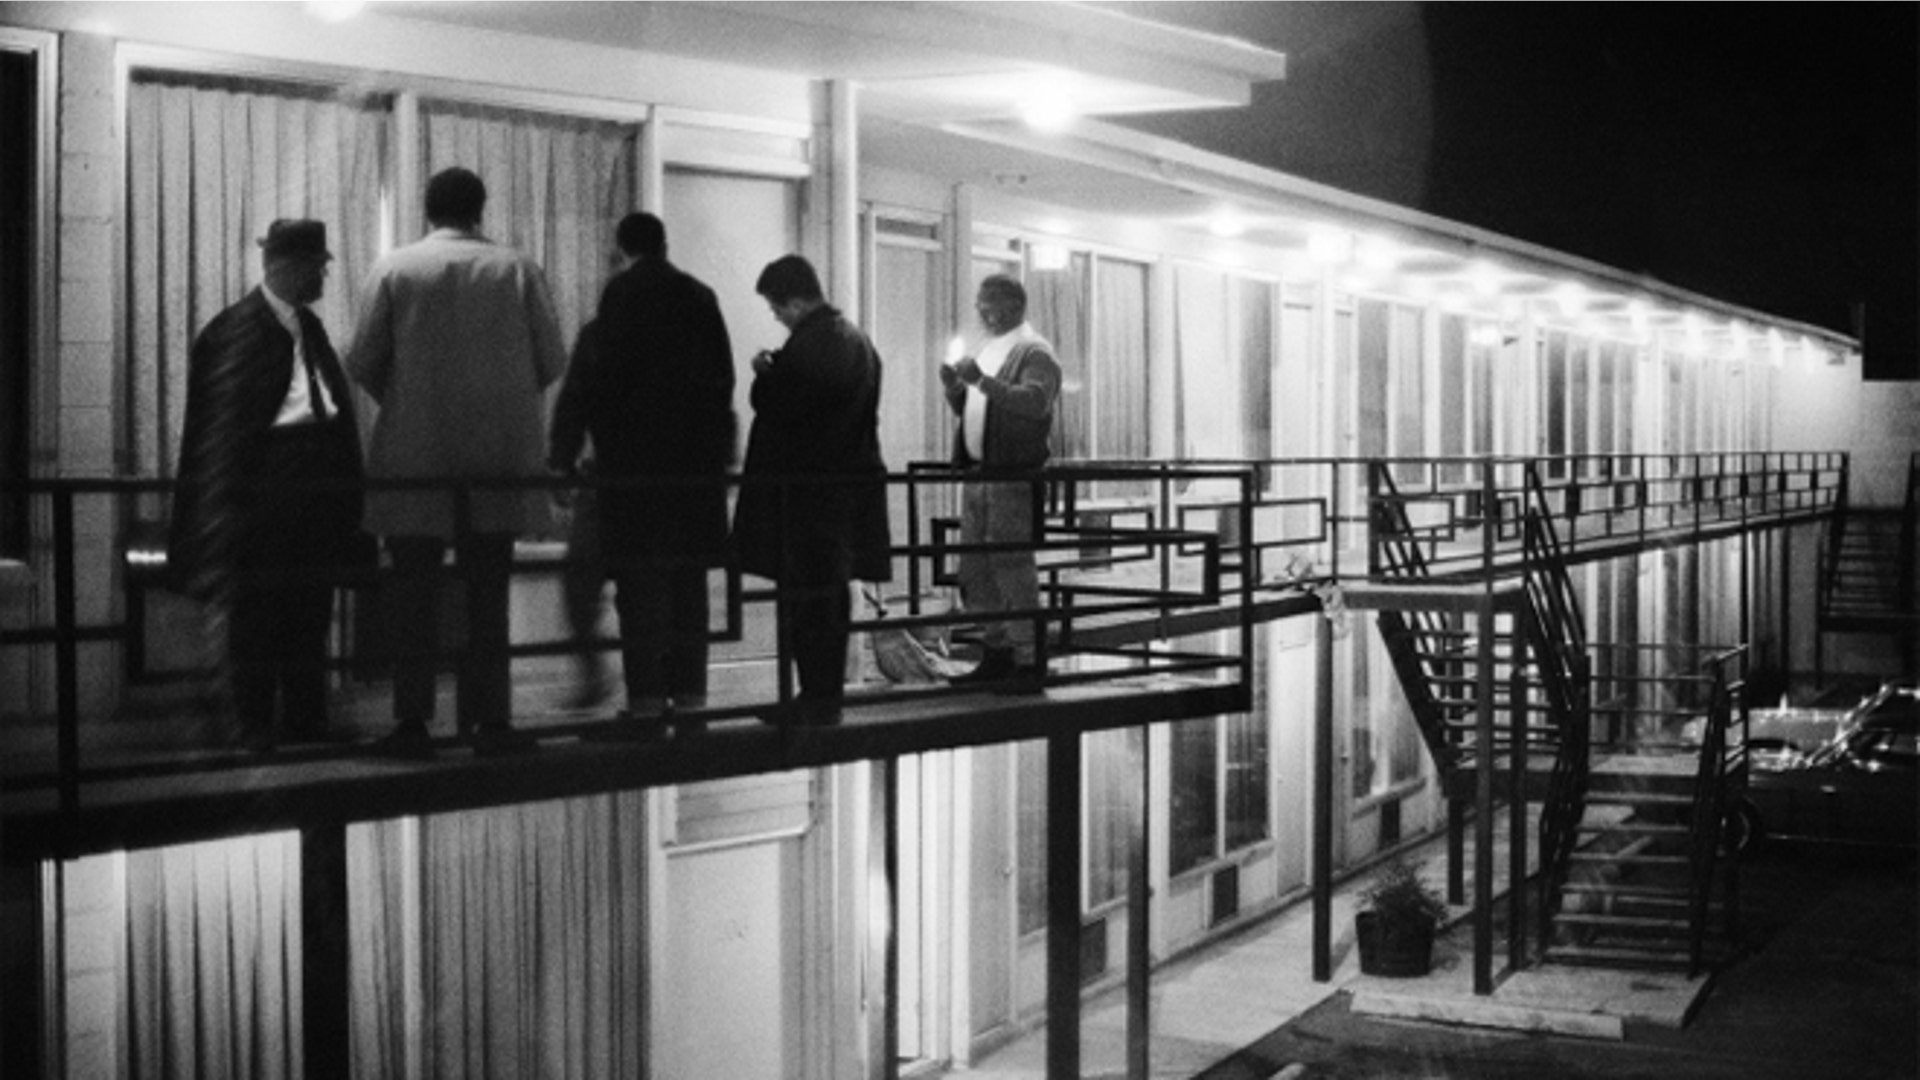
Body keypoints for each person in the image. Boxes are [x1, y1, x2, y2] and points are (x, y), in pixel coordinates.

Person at [345, 166, 568, 756]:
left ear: (427, 209)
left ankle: (413, 723)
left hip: (415, 456)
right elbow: (551, 358)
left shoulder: (394, 268)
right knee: (487, 594)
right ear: (480, 210)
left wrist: (411, 401)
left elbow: (364, 359)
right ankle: (490, 721)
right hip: (497, 459)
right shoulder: (517, 270)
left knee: (413, 597)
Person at [168, 219, 365, 751]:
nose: (324, 274)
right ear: (290, 267)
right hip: (265, 500)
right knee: (259, 616)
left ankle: (303, 719)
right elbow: (220, 432)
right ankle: (255, 724)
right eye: (317, 265)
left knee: (307, 611)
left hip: (309, 497)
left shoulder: (302, 329)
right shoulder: (238, 332)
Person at [549, 213, 737, 735]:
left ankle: (648, 701)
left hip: (630, 472)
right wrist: (720, 459)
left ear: (623, 249)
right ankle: (693, 699)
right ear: (664, 244)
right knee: (688, 588)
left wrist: (564, 459)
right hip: (692, 474)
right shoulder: (700, 300)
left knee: (640, 589)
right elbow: (721, 384)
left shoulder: (619, 301)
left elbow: (587, 388)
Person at [730, 255, 890, 728]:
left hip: (805, 496)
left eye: (776, 307)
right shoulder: (855, 342)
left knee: (808, 600)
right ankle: (823, 695)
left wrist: (765, 375)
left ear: (795, 301)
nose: (775, 317)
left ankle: (816, 698)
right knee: (828, 596)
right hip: (844, 489)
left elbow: (790, 411)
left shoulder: (813, 345)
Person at [940, 273, 1062, 693]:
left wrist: (979, 382)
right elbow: (981, 408)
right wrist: (956, 390)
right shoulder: (990, 351)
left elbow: (1033, 402)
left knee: (1011, 568)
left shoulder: (1035, 352)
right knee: (977, 569)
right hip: (979, 475)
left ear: (1010, 306)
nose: (980, 312)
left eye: (986, 304)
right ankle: (996, 653)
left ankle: (1028, 658)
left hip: (1011, 478)